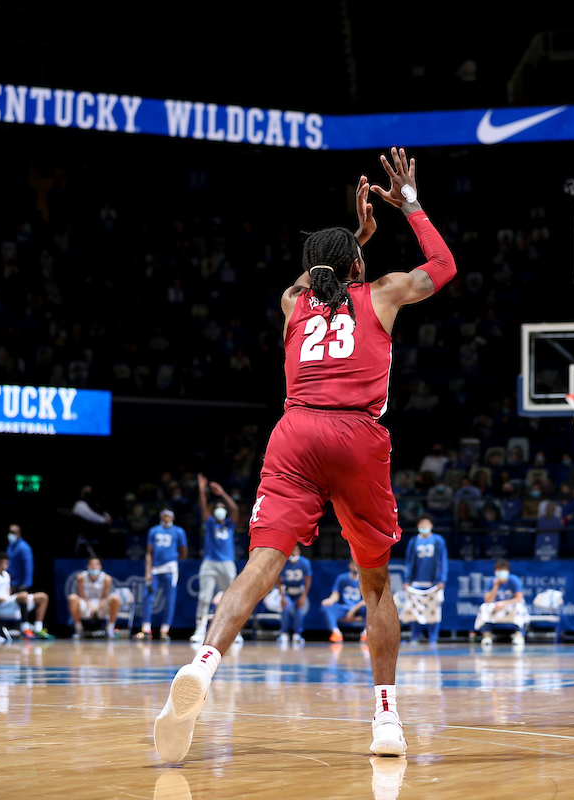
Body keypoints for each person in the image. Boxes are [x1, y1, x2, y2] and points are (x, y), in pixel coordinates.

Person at [155, 149, 454, 762]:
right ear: (358, 265)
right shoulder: (384, 293)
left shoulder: (294, 305)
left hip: (294, 431)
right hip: (355, 436)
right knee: (374, 582)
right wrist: (409, 205)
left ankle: (203, 666)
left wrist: (352, 238)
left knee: (261, 563)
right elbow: (444, 267)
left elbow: (305, 279)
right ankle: (387, 720)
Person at [191, 474, 240, 644]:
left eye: (222, 507)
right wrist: (201, 489)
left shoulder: (229, 524)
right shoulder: (210, 523)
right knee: (204, 597)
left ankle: (234, 632)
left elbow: (236, 510)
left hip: (227, 563)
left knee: (231, 599)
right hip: (210, 563)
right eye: (217, 507)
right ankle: (199, 630)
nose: (220, 509)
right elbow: (203, 507)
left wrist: (222, 494)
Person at [140, 509, 188, 640]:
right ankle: (146, 628)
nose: (166, 518)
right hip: (155, 568)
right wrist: (147, 571)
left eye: (169, 516)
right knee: (147, 596)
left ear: (172, 517)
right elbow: (149, 552)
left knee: (169, 599)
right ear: (161, 516)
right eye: (164, 515)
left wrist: (175, 563)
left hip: (170, 568)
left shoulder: (179, 531)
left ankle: (165, 629)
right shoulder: (154, 530)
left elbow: (184, 551)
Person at [402, 514, 448, 643]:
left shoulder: (438, 540)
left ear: (431, 526)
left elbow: (443, 560)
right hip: (416, 581)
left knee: (434, 609)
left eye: (427, 524)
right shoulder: (414, 541)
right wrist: (407, 580)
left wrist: (442, 579)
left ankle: (433, 637)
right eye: (422, 524)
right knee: (413, 608)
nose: (424, 526)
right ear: (418, 526)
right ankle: (416, 634)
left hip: (433, 581)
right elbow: (409, 561)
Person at [0, 552, 51, 639]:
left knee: (43, 597)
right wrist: (10, 598)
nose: (4, 565)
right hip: (0, 606)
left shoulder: (6, 575)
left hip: (9, 603)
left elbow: (9, 593)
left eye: (6, 563)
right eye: (2, 563)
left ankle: (38, 629)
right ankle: (25, 628)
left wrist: (11, 598)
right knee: (23, 596)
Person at [473, 559, 527, 647]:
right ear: (495, 571)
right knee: (484, 607)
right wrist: (495, 586)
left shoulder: (514, 580)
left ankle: (519, 635)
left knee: (520, 607)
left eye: (503, 570)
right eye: (499, 570)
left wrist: (503, 603)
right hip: (496, 607)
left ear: (508, 571)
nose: (501, 573)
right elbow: (487, 600)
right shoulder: (492, 581)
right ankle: (487, 635)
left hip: (509, 606)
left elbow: (519, 598)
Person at [68, 556, 121, 638]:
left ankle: (110, 629)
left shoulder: (106, 578)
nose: (94, 566)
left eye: (96, 564)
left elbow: (104, 597)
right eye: (91, 564)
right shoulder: (81, 577)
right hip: (86, 604)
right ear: (87, 566)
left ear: (100, 566)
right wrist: (90, 606)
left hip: (100, 605)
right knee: (72, 598)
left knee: (115, 598)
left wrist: (97, 607)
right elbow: (81, 595)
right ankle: (79, 629)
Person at [322, 560, 367, 641]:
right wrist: (330, 600)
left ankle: (366, 633)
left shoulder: (365, 579)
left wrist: (353, 611)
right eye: (353, 564)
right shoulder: (342, 578)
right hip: (344, 608)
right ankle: (336, 633)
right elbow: (335, 594)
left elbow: (366, 600)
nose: (355, 567)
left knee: (371, 609)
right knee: (326, 607)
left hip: (358, 608)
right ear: (349, 565)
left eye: (358, 564)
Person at [277, 544, 312, 644]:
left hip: (299, 591)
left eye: (295, 550)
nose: (294, 552)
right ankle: (284, 633)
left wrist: (304, 596)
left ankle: (297, 634)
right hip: (287, 591)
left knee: (299, 611)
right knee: (285, 609)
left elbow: (308, 579)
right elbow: (279, 580)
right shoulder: (283, 562)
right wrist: (282, 596)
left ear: (299, 551)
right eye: (292, 550)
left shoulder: (305, 563)